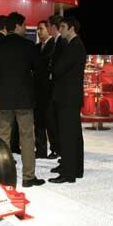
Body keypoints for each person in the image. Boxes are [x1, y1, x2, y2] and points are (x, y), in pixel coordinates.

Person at [0, 12, 44, 188]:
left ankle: (3, 178)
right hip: (25, 100)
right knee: (27, 137)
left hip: (3, 99)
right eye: (24, 25)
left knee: (3, 137)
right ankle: (28, 177)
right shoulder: (29, 46)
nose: (26, 28)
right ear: (17, 26)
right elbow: (39, 71)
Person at [48, 16, 86, 184]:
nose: (60, 29)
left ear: (71, 29)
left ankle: (68, 173)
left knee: (69, 136)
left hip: (68, 98)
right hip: (70, 98)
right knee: (74, 135)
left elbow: (58, 69)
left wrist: (53, 68)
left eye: (63, 27)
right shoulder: (74, 45)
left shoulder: (74, 46)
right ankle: (76, 170)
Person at [45, 14, 66, 160]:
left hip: (59, 90)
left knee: (56, 121)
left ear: (53, 26)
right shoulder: (55, 42)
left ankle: (59, 150)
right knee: (52, 120)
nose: (47, 29)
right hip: (54, 88)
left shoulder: (62, 42)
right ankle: (57, 149)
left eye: (47, 26)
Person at [33, 20, 54, 158]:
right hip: (38, 92)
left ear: (48, 29)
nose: (39, 32)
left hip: (51, 91)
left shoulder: (55, 45)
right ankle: (41, 150)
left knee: (51, 123)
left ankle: (55, 149)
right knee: (39, 122)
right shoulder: (36, 47)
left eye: (41, 29)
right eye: (37, 29)